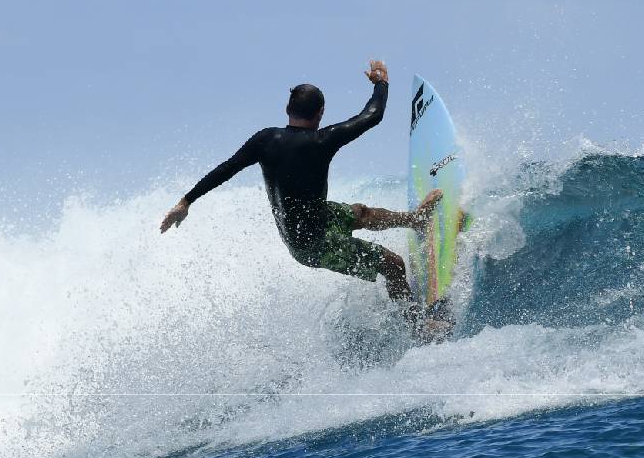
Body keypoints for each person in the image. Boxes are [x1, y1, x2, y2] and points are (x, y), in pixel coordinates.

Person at [160, 60, 442, 319]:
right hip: (312, 245)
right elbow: (372, 115)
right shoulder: (322, 141)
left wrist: (186, 201)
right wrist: (381, 82)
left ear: (287, 110)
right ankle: (416, 324)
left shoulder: (265, 139)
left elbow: (226, 168)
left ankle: (415, 221)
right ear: (320, 113)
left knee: (361, 213)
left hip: (311, 221)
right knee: (393, 264)